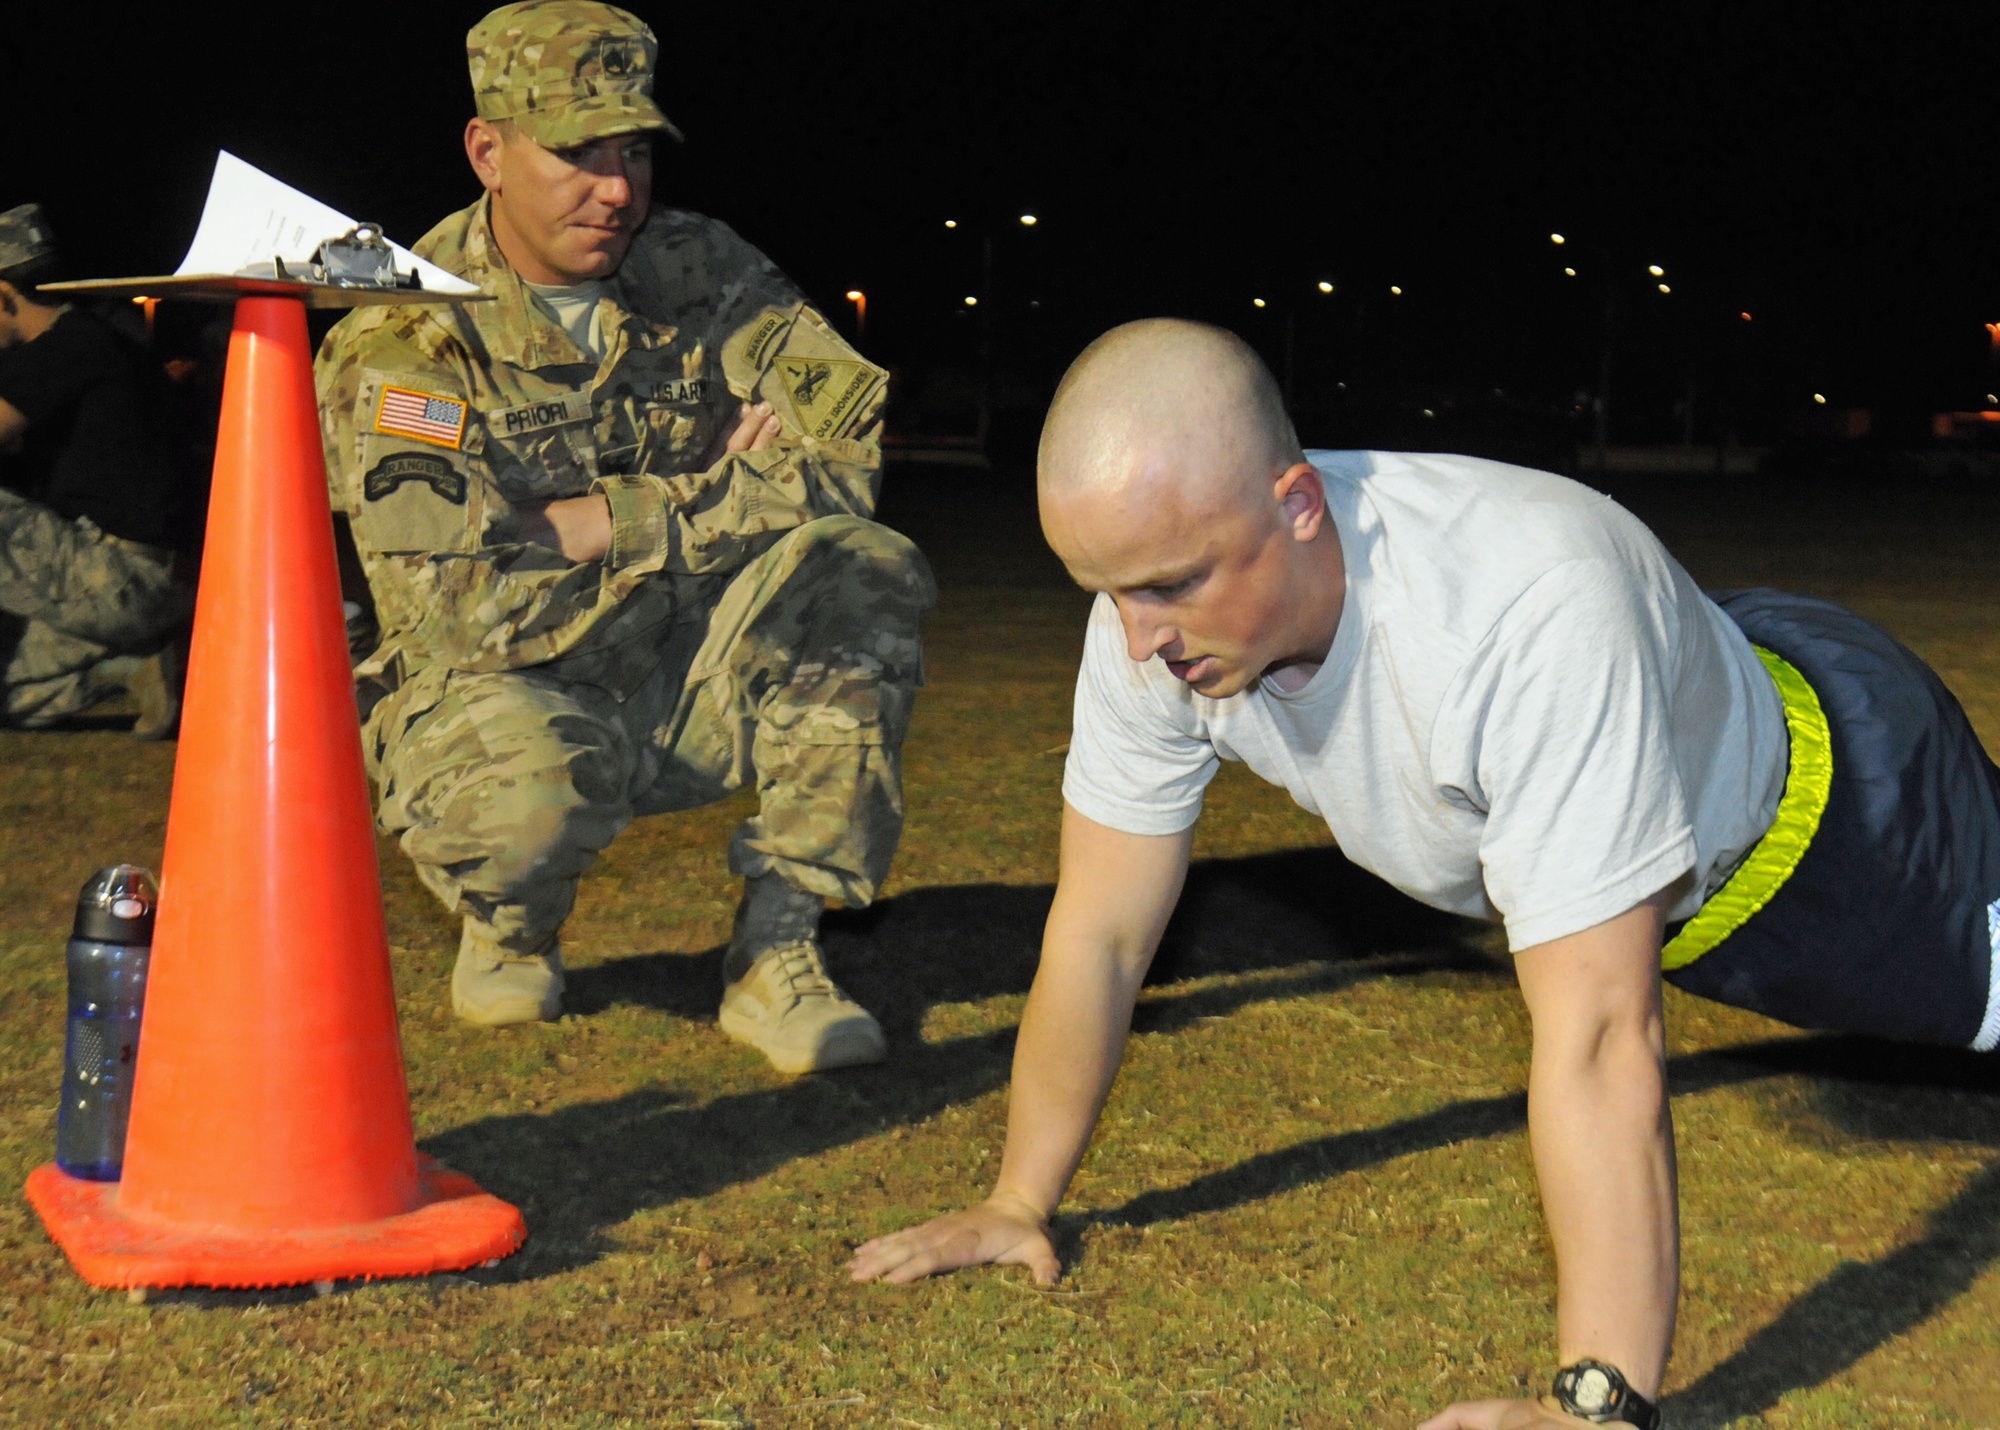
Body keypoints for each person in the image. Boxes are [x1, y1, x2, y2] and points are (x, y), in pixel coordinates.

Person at [848, 319, 2000, 1428]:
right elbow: (1099, 933)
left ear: (1296, 505)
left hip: (1850, 820)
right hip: (1694, 696)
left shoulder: (1523, 613)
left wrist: (1594, 1402)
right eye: (1105, 590)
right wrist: (1016, 1198)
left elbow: (1599, 1033)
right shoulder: (1150, 624)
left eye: (1168, 584)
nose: (1138, 639)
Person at [313, 1, 935, 1071]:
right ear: (488, 152)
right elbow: (462, 607)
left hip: (687, 664)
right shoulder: (406, 334)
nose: (617, 188)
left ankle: (776, 948)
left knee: (864, 572)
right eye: (575, 151)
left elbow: (846, 459)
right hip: (501, 696)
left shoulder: (706, 268)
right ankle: (511, 927)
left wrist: (611, 519)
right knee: (524, 798)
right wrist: (725, 488)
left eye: (634, 150)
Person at [0, 204, 190, 739]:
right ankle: (135, 668)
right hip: (124, 589)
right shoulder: (104, 343)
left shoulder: (66, 348)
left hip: (117, 577)